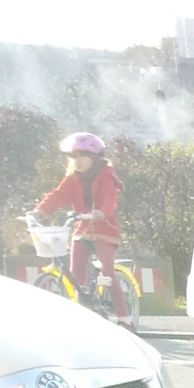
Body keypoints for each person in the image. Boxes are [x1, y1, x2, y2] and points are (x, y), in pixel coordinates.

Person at [34, 132, 127, 318]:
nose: (78, 160)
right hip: (82, 229)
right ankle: (83, 314)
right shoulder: (73, 178)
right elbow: (58, 195)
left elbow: (110, 199)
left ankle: (125, 317)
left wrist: (102, 212)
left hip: (104, 228)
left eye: (82, 155)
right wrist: (39, 211)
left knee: (108, 271)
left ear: (94, 156)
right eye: (73, 156)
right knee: (76, 275)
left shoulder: (107, 176)